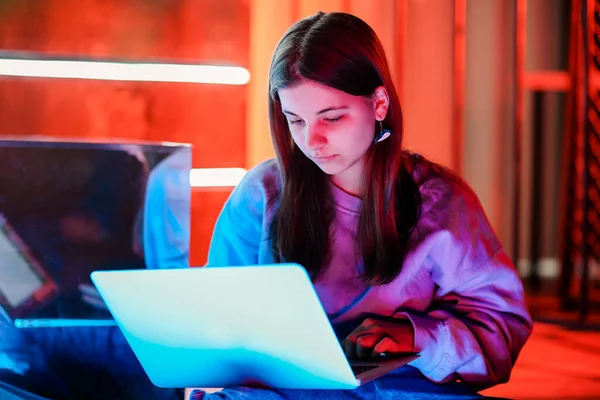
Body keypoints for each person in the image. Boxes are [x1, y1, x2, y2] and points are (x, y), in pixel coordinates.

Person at [192, 10, 532, 400]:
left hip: (398, 390)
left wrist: (415, 336)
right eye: (295, 120)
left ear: (379, 103)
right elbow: (218, 315)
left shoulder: (443, 204)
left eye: (331, 118)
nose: (312, 140)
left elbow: (501, 330)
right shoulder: (261, 192)